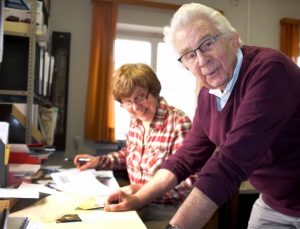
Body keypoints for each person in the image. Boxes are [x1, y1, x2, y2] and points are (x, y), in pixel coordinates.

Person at [104, 3, 300, 229]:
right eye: (188, 55)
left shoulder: (269, 70)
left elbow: (231, 161)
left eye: (207, 43)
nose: (201, 60)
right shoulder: (208, 96)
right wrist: (138, 198)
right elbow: (185, 157)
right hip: (274, 202)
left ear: (233, 40)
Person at [74, 63, 196, 228]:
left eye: (139, 97)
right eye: (128, 101)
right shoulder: (136, 121)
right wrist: (98, 161)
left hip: (167, 211)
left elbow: (191, 182)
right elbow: (129, 155)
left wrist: (142, 190)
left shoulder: (178, 122)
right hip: (135, 205)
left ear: (153, 91)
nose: (136, 107)